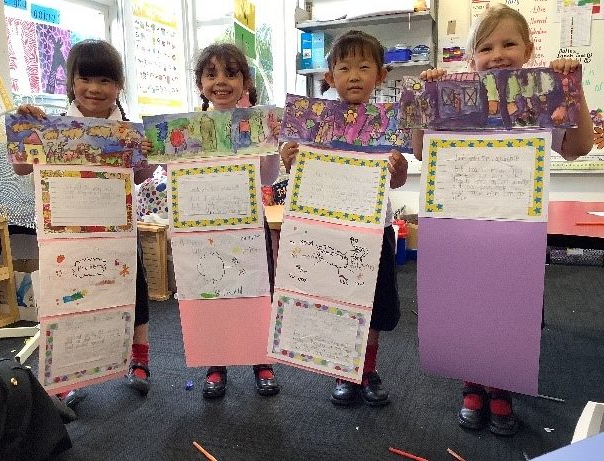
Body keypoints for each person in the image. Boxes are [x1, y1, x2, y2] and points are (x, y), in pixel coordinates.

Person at [413, 4, 593, 436]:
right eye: (485, 48)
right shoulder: (454, 102)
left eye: (509, 44)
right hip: (461, 228)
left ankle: (502, 387)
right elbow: (420, 151)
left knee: (508, 306)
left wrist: (574, 91)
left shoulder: (538, 99)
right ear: (471, 58)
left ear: (528, 50)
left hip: (516, 232)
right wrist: (426, 99)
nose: (497, 55)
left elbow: (578, 148)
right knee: (466, 304)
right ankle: (472, 385)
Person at [15, 39, 155, 409]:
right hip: (66, 231)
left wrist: (150, 155)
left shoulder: (127, 131)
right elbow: (21, 166)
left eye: (105, 80)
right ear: (72, 83)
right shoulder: (51, 125)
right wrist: (27, 128)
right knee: (65, 295)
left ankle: (139, 357)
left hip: (117, 227)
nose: (94, 89)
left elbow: (140, 176)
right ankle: (65, 373)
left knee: (133, 287)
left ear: (119, 86)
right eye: (86, 79)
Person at [280, 30, 409, 407]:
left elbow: (397, 181)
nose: (354, 76)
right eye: (344, 68)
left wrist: (398, 167)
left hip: (374, 228)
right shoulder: (313, 123)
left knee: (372, 305)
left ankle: (367, 370)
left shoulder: (386, 123)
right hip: (329, 230)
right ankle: (343, 371)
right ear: (330, 76)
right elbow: (296, 171)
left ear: (380, 75)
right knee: (338, 300)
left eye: (364, 67)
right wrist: (290, 158)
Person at [193, 43, 281, 399]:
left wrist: (271, 142)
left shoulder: (257, 124)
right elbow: (179, 175)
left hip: (248, 223)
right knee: (212, 293)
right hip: (206, 226)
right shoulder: (190, 128)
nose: (221, 81)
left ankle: (261, 361)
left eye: (231, 74)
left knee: (256, 291)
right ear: (200, 84)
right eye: (211, 74)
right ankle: (216, 363)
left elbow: (268, 177)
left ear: (245, 82)